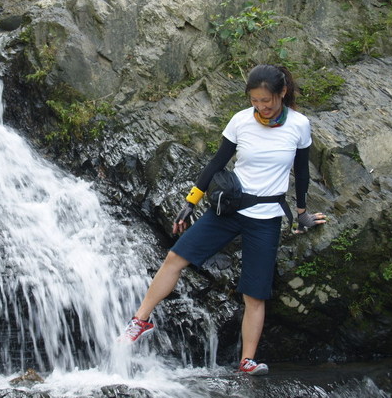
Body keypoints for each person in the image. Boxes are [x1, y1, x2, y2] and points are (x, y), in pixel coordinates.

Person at [120, 64, 326, 375]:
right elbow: (217, 162)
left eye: (267, 101)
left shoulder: (299, 125)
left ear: (282, 93)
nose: (261, 107)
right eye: (255, 101)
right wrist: (191, 202)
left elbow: (302, 172)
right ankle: (140, 321)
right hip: (229, 210)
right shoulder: (241, 121)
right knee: (176, 256)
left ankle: (247, 361)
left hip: (266, 218)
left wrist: (302, 213)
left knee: (254, 293)